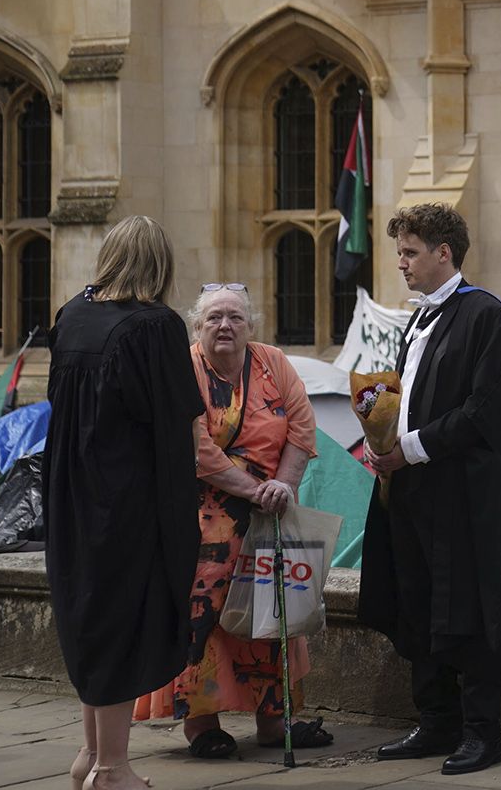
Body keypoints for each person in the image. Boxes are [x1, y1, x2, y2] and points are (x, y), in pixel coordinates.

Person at [358, 203, 501, 776]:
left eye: (411, 253)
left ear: (445, 253)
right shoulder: (419, 320)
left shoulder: (487, 319)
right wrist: (379, 431)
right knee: (417, 600)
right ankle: (436, 721)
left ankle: (482, 733)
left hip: (466, 497)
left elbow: (485, 413)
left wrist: (407, 447)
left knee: (469, 606)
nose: (402, 265)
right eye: (399, 253)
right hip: (415, 490)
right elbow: (408, 395)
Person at [131, 283, 336, 758]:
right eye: (214, 318)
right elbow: (195, 448)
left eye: (235, 318)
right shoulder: (183, 368)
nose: (225, 326)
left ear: (251, 324)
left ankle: (274, 721)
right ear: (198, 325)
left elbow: (302, 427)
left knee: (274, 611)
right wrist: (254, 490)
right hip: (203, 519)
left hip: (273, 513)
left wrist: (281, 486)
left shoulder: (274, 362)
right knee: (205, 616)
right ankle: (202, 726)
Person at [43, 216, 204, 790]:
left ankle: (90, 755)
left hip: (70, 492)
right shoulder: (154, 325)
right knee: (122, 621)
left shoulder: (71, 314)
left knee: (90, 615)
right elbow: (177, 420)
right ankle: (113, 769)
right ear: (159, 264)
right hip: (127, 496)